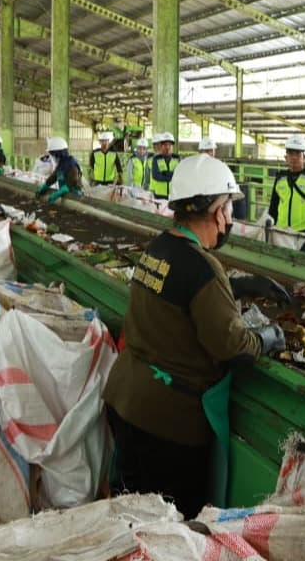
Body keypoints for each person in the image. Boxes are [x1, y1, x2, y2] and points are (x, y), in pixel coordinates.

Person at [102, 153, 290, 518]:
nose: (231, 218)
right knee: (172, 529)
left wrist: (239, 286)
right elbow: (232, 346)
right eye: (230, 208)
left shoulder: (159, 247)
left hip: (126, 401)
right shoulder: (203, 267)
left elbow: (181, 289)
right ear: (218, 210)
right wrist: (268, 337)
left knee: (132, 518)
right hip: (167, 424)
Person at [267, 136, 305, 252]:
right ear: (285, 157)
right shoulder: (280, 178)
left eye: (298, 153)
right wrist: (269, 227)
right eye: (290, 153)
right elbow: (273, 207)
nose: (294, 157)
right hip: (281, 232)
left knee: (304, 266)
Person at [36, 136, 84, 203]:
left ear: (60, 153)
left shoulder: (72, 165)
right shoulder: (61, 164)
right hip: (65, 196)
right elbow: (53, 177)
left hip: (75, 197)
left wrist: (57, 194)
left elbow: (72, 183)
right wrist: (44, 186)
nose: (53, 157)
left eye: (54, 154)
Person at [149, 133, 180, 201]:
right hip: (159, 195)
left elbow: (180, 175)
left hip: (174, 194)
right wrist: (172, 175)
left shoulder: (177, 158)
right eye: (165, 145)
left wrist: (164, 173)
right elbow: (156, 176)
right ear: (161, 146)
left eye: (170, 145)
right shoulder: (156, 159)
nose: (167, 147)